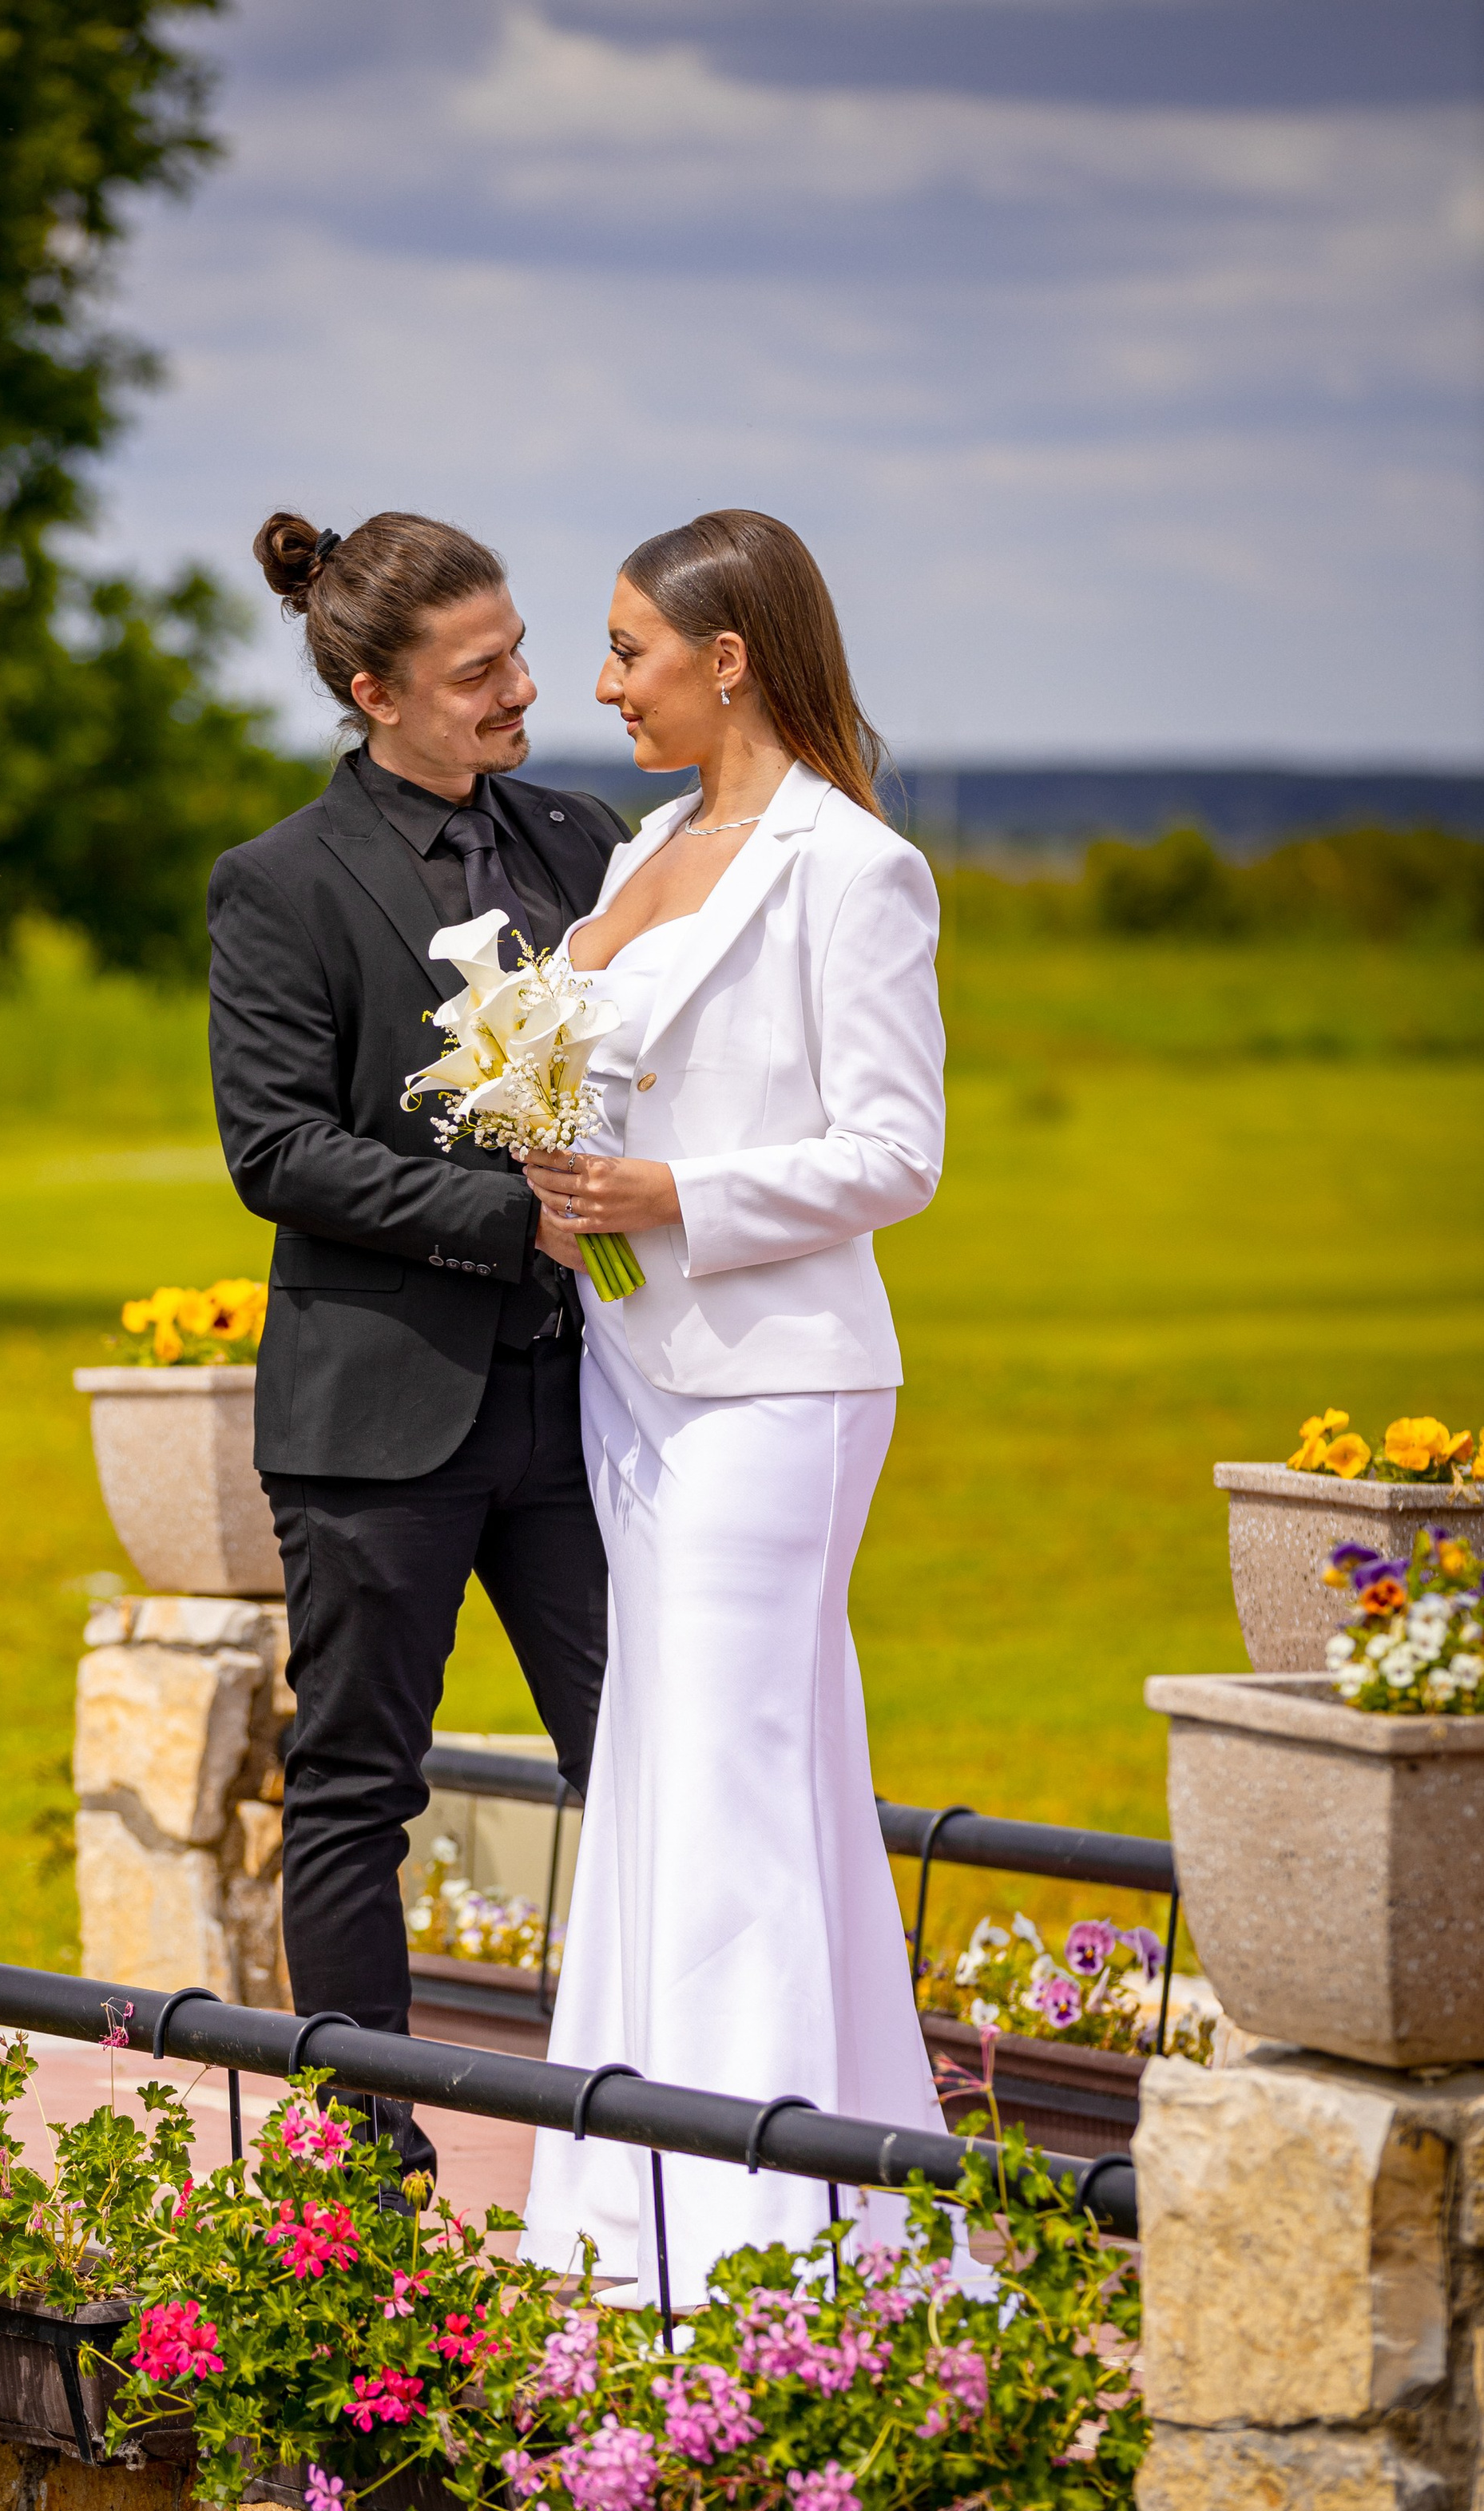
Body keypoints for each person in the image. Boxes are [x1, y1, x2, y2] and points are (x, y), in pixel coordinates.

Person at [515, 508, 951, 2304]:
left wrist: (671, 1194)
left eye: (626, 650)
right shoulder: (645, 842)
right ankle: (669, 2202)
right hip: (635, 1373)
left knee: (733, 1775)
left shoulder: (850, 870)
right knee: (669, 1768)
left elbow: (893, 1153)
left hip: (779, 1385)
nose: (601, 682)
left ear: (729, 657)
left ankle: (756, 2240)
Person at [207, 511, 628, 2184]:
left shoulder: (586, 843)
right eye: (480, 673)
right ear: (374, 691)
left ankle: (668, 2136)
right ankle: (365, 2171)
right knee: (356, 1787)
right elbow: (275, 1153)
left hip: (588, 1409)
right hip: (376, 1416)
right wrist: (504, 1214)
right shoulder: (278, 885)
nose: (522, 690)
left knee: (643, 1761)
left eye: (520, 653)